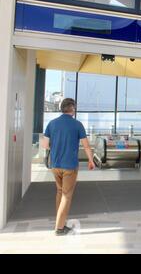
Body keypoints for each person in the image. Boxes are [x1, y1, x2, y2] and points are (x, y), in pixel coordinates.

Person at [41, 98, 95, 236]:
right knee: (66, 196)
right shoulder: (77, 125)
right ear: (73, 109)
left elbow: (45, 145)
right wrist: (91, 161)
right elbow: (86, 145)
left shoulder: (52, 124)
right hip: (69, 165)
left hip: (55, 165)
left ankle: (61, 222)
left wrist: (57, 146)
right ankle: (59, 228)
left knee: (60, 192)